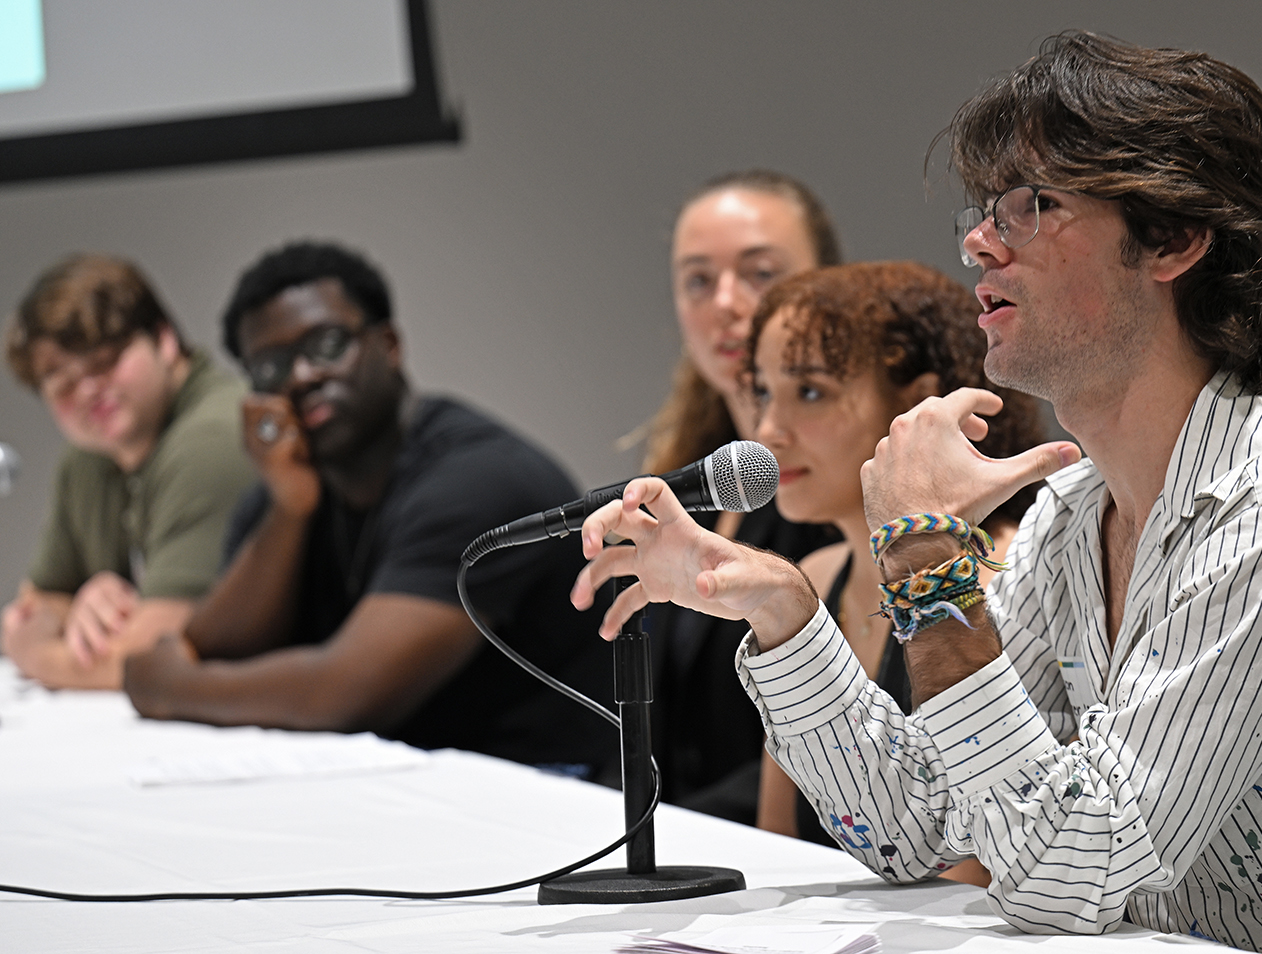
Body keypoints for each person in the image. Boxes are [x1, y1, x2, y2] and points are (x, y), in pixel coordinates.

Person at [570, 32, 1262, 953]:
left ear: (1174, 239)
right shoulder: (1069, 516)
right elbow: (919, 830)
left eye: (1033, 206)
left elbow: (1068, 875)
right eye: (985, 211)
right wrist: (784, 615)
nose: (979, 244)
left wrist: (928, 557)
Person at [123, 241, 615, 775]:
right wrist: (290, 510)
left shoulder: (479, 482)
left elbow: (344, 695)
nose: (302, 376)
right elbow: (215, 648)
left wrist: (173, 690)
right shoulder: (289, 492)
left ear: (389, 344)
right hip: (409, 779)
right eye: (270, 367)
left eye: (327, 344)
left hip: (553, 794)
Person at [743, 261, 1043, 864]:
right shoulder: (818, 575)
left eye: (809, 392)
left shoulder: (1004, 573)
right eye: (761, 391)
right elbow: (776, 845)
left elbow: (989, 862)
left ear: (916, 403)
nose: (768, 430)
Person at [640, 170, 842, 822]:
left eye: (759, 272)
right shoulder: (689, 478)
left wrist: (684, 826)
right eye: (699, 280)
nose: (725, 303)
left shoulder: (844, 487)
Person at [1, 254, 253, 690]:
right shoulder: (90, 456)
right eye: (61, 382)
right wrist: (80, 604)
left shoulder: (216, 438)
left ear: (165, 339)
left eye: (104, 361)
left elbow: (150, 660)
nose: (88, 392)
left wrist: (35, 654)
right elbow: (37, 604)